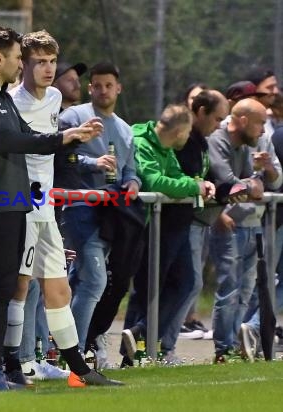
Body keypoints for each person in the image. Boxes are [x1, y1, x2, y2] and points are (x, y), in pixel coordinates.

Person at [0, 26, 107, 390]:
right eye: (20, 57)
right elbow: (6, 139)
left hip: (16, 202)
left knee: (7, 286)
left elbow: (25, 136)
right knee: (3, 287)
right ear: (0, 57)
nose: (22, 64)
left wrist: (71, 139)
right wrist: (63, 137)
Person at [4, 31, 120, 386]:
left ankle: (79, 371)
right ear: (23, 63)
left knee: (59, 290)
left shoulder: (55, 97)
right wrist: (67, 138)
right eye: (40, 61)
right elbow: (16, 146)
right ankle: (11, 365)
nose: (48, 69)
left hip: (46, 207)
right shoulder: (9, 100)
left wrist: (77, 137)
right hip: (21, 205)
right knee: (20, 287)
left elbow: (53, 148)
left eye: (52, 61)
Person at [121, 104, 216, 365]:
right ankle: (132, 355)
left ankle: (142, 332)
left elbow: (175, 176)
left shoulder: (167, 149)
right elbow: (154, 182)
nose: (188, 139)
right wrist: (194, 186)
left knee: (186, 283)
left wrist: (194, 185)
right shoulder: (140, 142)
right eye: (187, 133)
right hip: (145, 225)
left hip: (173, 224)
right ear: (179, 131)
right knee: (146, 289)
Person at [58, 62, 141, 358]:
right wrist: (92, 163)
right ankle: (75, 352)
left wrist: (131, 183)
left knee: (80, 280)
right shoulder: (73, 117)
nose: (103, 90)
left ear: (118, 88)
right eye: (97, 85)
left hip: (113, 214)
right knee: (94, 280)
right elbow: (59, 157)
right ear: (89, 87)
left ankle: (66, 343)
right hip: (79, 207)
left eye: (109, 85)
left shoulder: (125, 129)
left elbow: (131, 170)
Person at [206, 98, 280, 363]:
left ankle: (238, 346)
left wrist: (268, 169)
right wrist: (252, 184)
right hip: (228, 224)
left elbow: (278, 178)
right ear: (244, 121)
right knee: (229, 288)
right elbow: (225, 181)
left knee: (247, 291)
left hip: (255, 224)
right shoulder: (218, 139)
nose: (263, 130)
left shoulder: (261, 140)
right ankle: (223, 349)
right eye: (260, 123)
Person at [176, 90, 229, 340]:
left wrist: (217, 189)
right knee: (187, 283)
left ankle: (162, 341)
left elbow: (205, 177)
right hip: (180, 221)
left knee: (190, 283)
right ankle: (157, 339)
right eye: (217, 119)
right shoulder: (184, 139)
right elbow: (183, 175)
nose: (219, 126)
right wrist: (201, 185)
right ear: (201, 112)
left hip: (195, 220)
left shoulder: (202, 140)